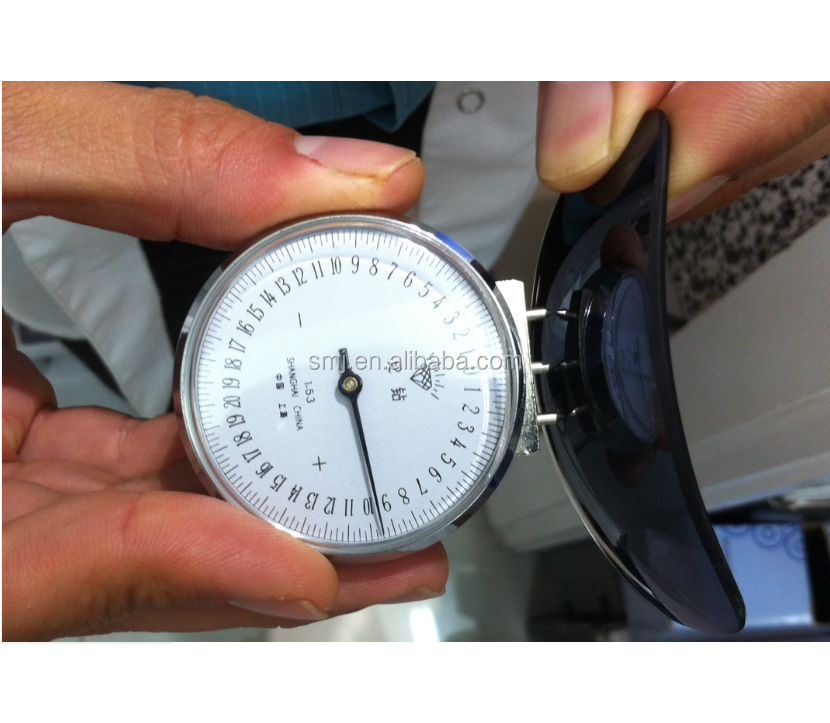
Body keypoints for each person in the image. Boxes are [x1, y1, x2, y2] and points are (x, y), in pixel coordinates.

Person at [4, 81, 829, 641]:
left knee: (135, 394)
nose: (350, 387)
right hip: (96, 183)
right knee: (108, 361)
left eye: (352, 388)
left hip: (426, 135)